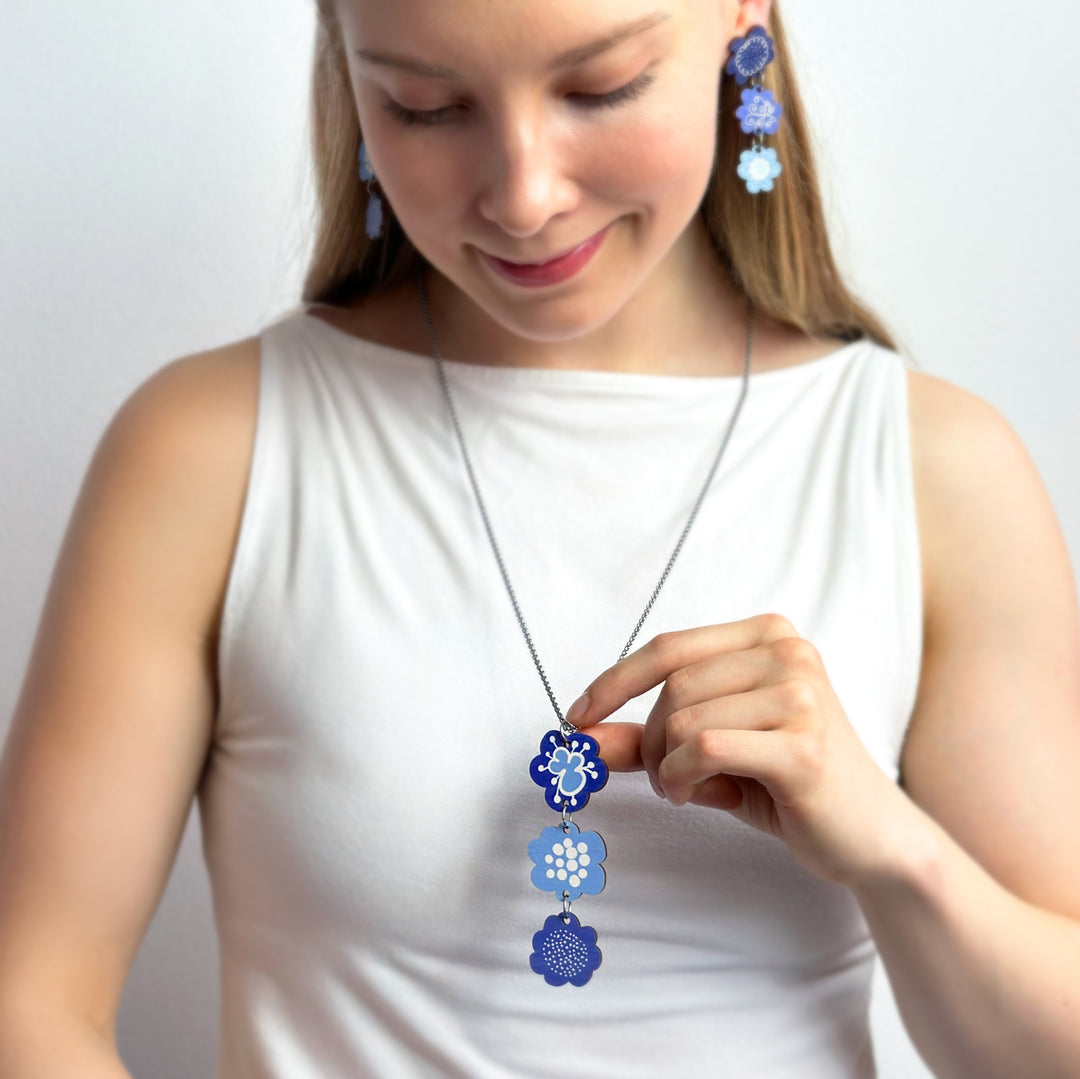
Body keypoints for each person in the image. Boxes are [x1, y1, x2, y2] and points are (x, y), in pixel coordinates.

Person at [1, 0, 1079, 1076]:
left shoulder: (935, 469)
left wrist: (893, 848)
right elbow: (30, 1003)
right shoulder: (212, 451)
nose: (524, 197)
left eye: (601, 87)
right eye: (425, 106)